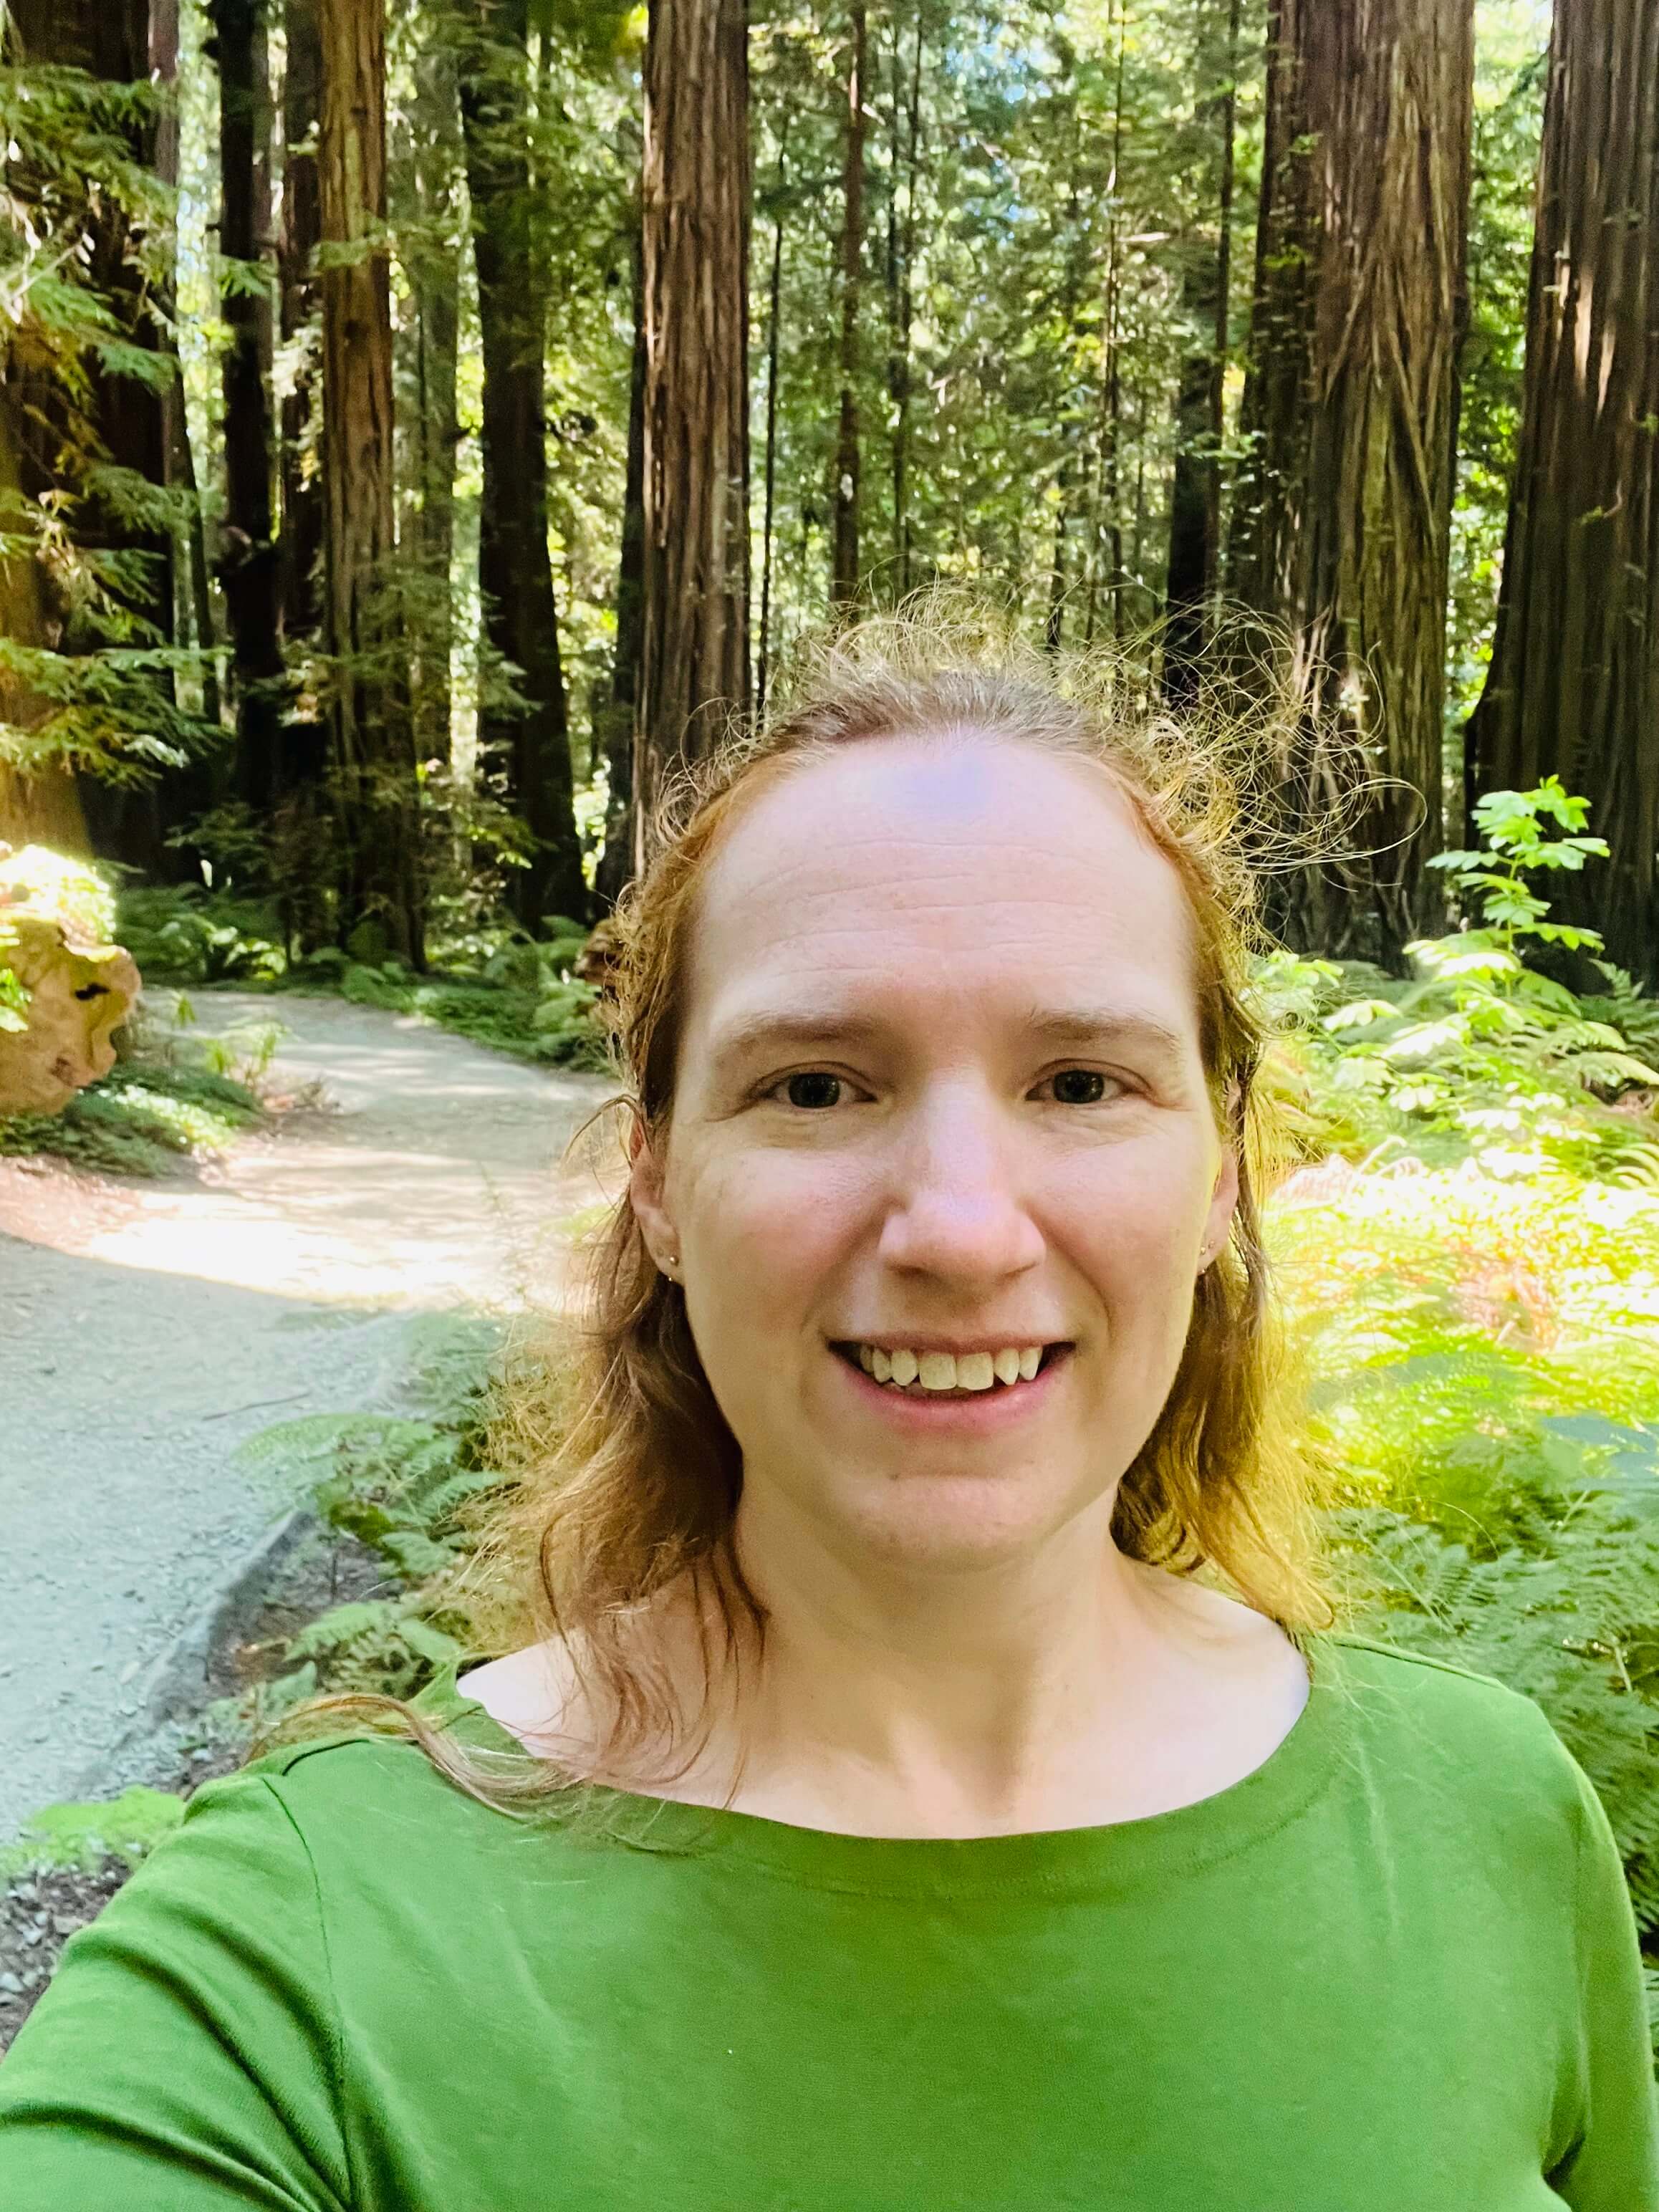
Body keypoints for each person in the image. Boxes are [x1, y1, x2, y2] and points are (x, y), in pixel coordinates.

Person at [1, 625, 1655, 2209]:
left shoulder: (1492, 1823)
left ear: (1223, 1168)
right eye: (815, 1085)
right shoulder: (306, 1954)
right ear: (657, 1178)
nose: (961, 1228)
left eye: (1082, 1082)